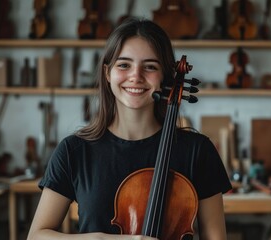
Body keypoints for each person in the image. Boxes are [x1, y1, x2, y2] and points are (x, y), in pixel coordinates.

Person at [27, 17, 232, 240]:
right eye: (124, 64)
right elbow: (37, 236)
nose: (136, 76)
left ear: (165, 77)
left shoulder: (198, 151)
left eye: (150, 66)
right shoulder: (74, 151)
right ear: (107, 73)